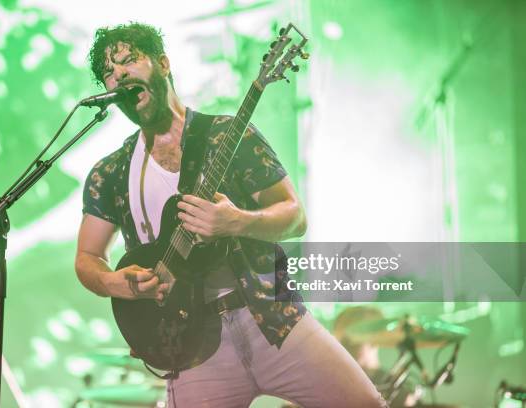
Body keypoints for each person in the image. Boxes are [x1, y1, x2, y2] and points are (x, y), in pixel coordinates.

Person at [74, 22, 386, 408]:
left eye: (127, 61)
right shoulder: (111, 172)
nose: (118, 74)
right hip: (192, 348)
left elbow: (295, 216)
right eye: (108, 73)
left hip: (273, 319)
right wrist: (115, 284)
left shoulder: (227, 135)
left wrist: (236, 221)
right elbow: (87, 258)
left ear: (164, 63)